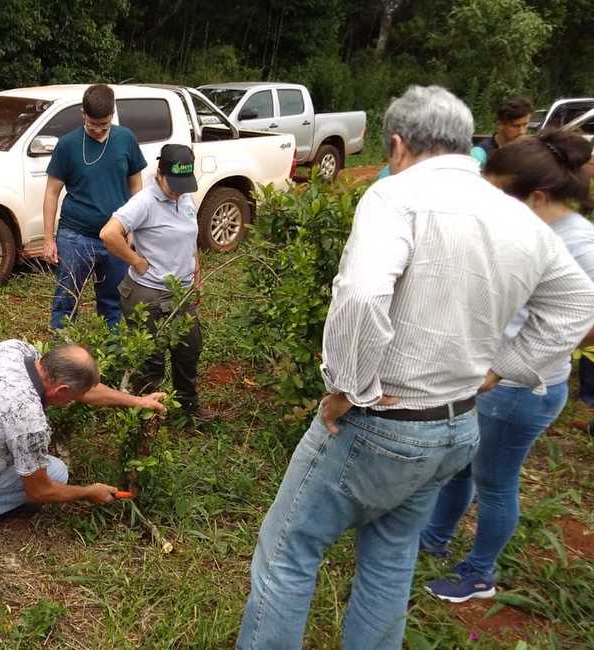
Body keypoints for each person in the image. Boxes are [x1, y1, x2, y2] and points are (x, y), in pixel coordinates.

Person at [236, 86, 594, 650]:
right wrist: (504, 367)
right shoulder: (520, 216)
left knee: (289, 551)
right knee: (391, 556)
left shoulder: (395, 198)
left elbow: (359, 295)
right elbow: (577, 302)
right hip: (457, 426)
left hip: (383, 422)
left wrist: (345, 389)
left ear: (399, 145)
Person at [420, 130, 594, 603]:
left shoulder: (579, 245)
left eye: (496, 195)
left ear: (536, 196)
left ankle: (479, 573)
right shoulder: (528, 228)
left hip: (519, 391)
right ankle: (433, 538)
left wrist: (506, 365)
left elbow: (581, 321)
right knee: (461, 469)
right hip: (488, 381)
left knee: (495, 483)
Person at [0, 339, 166, 546]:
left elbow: (87, 390)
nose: (75, 400)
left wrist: (138, 401)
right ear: (62, 391)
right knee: (56, 472)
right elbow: (40, 491)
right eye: (73, 397)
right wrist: (88, 492)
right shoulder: (28, 419)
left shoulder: (16, 350)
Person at [99, 143, 213, 422]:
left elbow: (190, 238)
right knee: (151, 360)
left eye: (183, 184)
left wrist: (195, 272)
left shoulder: (185, 197)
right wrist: (136, 261)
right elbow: (109, 233)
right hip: (148, 293)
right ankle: (148, 417)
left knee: (189, 348)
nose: (177, 190)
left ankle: (187, 408)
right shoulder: (144, 201)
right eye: (172, 183)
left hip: (180, 292)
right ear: (159, 173)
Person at [42, 84, 147, 329]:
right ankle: (61, 355)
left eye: (104, 125)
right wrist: (48, 238)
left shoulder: (126, 139)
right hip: (75, 236)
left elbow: (136, 186)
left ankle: (111, 355)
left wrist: (134, 228)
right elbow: (51, 192)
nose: (99, 131)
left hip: (115, 238)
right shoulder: (68, 145)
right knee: (66, 300)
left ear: (112, 115)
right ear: (83, 115)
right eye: (92, 125)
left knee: (113, 302)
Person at [471, 96, 533, 163]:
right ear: (500, 125)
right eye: (516, 126)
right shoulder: (479, 154)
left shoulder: (527, 150)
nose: (522, 131)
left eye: (525, 124)